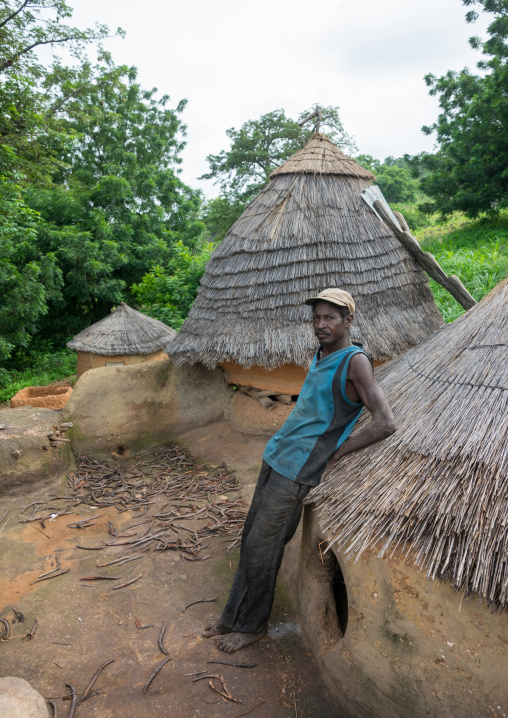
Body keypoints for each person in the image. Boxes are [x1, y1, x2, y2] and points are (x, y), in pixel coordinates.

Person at [203, 288, 396, 652]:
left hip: (299, 470)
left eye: (330, 318)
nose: (320, 324)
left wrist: (339, 453)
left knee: (264, 548)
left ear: (347, 321)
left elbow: (385, 422)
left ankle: (252, 626)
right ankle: (231, 618)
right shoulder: (321, 353)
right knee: (250, 541)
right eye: (317, 318)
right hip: (277, 455)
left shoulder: (354, 362)